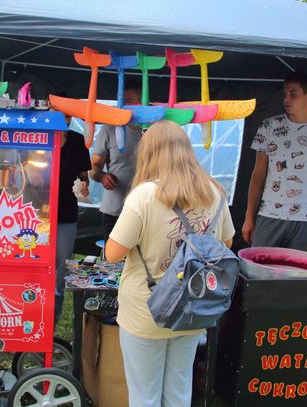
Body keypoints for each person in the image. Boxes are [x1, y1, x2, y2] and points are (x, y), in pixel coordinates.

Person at [105, 121, 235, 407]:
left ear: (149, 152)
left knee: (145, 397)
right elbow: (226, 244)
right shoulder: (214, 192)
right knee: (178, 394)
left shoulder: (144, 196)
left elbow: (113, 253)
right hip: (193, 307)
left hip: (146, 309)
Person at [242, 71, 307, 254]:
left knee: (297, 270)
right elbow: (258, 175)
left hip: (305, 218)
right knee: (259, 266)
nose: (287, 99)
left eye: (293, 94)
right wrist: (249, 217)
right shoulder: (269, 127)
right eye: (285, 94)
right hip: (269, 214)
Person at [90, 83, 142, 241]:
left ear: (142, 102)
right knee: (113, 255)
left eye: (129, 101)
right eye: (122, 101)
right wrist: (102, 176)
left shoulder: (153, 131)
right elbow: (93, 168)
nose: (124, 105)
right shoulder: (109, 129)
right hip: (114, 210)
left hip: (145, 211)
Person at [54, 107, 91, 324]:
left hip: (66, 212)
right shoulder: (40, 135)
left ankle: (53, 316)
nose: (63, 120)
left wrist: (84, 186)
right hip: (37, 213)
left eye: (67, 116)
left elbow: (84, 177)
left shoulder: (78, 141)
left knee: (61, 267)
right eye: (58, 114)